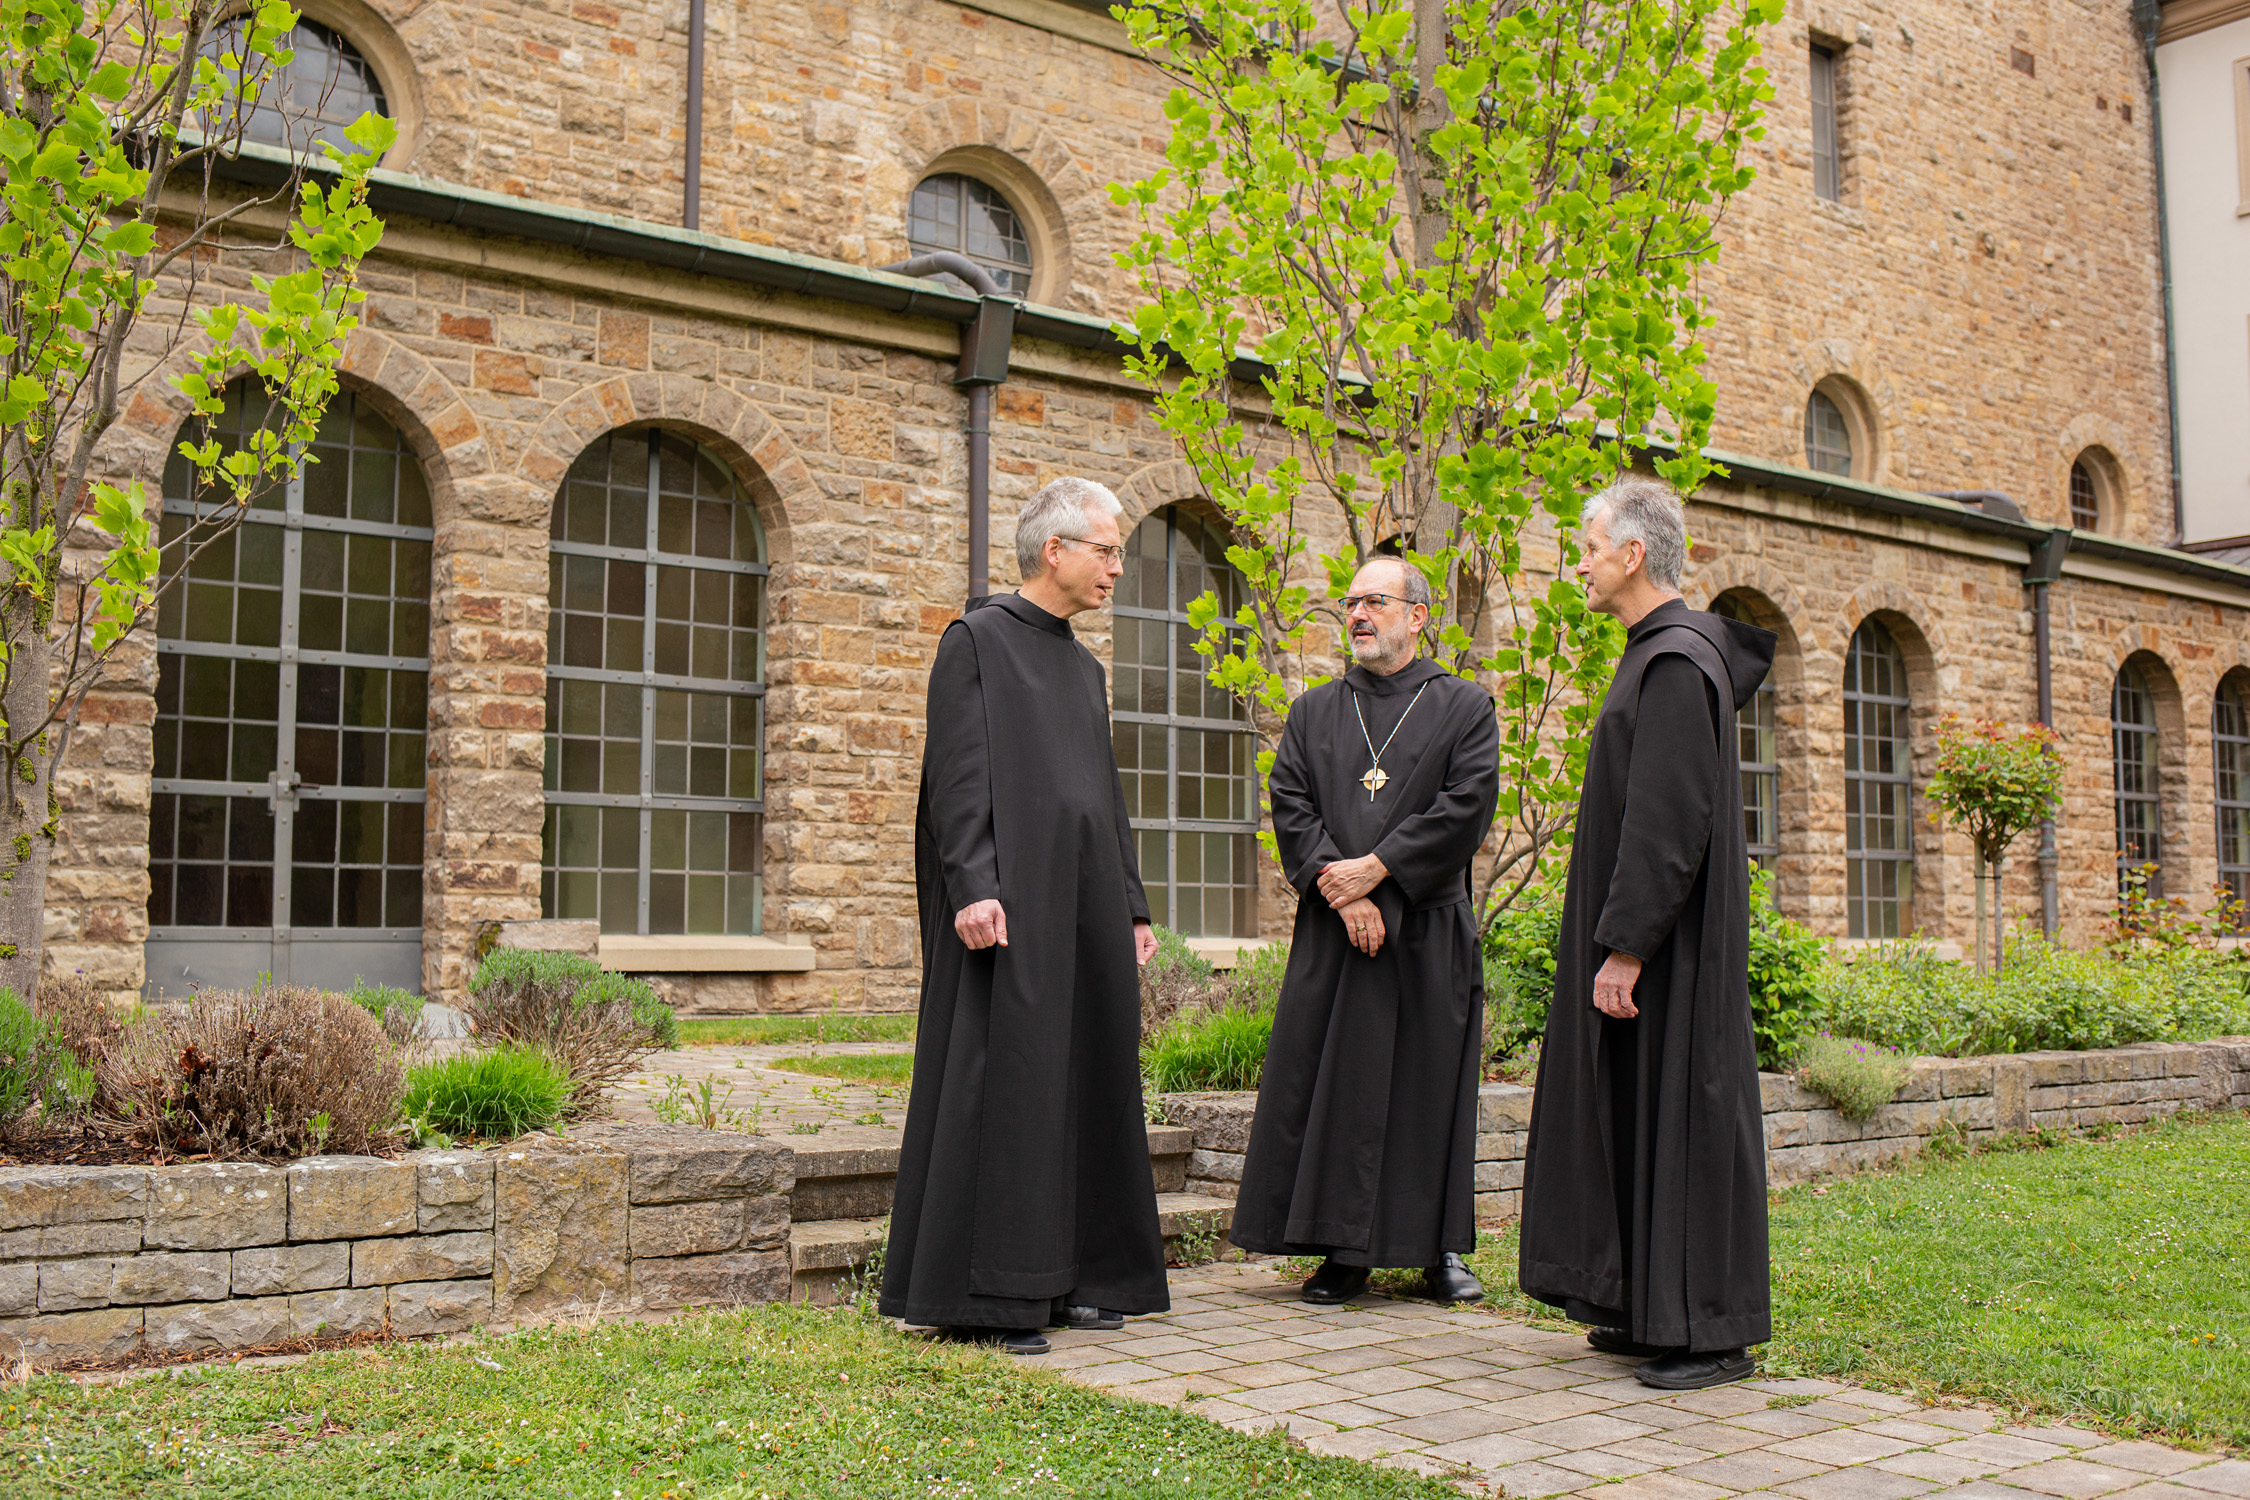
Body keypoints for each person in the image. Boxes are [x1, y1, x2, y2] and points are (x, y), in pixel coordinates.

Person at [878, 476, 1170, 1356]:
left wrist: (1130, 903)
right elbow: (956, 778)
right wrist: (971, 885)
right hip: (1007, 902)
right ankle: (988, 1296)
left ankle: (1074, 1276)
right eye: (1109, 550)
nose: (1118, 568)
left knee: (1083, 1081)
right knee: (1005, 1083)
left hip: (1082, 903)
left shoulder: (1084, 666)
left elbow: (1101, 796)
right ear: (1057, 551)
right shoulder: (976, 642)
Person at [1517, 476, 1776, 1391]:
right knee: (1642, 1110)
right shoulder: (1654, 654)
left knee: (1687, 1114)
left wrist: (1625, 944)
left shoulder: (1674, 662)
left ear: (1633, 554)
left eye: (1588, 544)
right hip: (1653, 945)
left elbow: (1669, 821)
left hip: (1670, 952)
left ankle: (1711, 1330)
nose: (1578, 561)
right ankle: (1648, 1306)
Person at [1228, 555, 1500, 1305]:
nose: (1357, 614)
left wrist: (1378, 869)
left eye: (1374, 602)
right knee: (1336, 1088)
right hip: (1336, 930)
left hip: (1426, 930)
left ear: (1417, 615)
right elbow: (1291, 803)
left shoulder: (1464, 707)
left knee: (1427, 1090)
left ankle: (1437, 1248)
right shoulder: (1316, 710)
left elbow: (1466, 806)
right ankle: (1340, 1251)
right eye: (1349, 602)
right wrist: (1343, 891)